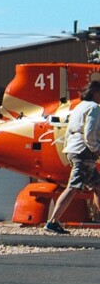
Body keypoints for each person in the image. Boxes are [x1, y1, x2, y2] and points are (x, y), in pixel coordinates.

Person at [45, 75, 100, 234]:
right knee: (73, 187)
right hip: (85, 152)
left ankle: (53, 221)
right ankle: (52, 221)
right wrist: (95, 147)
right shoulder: (94, 108)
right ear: (95, 93)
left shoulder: (79, 107)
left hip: (74, 149)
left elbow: (71, 130)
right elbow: (89, 132)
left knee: (97, 186)